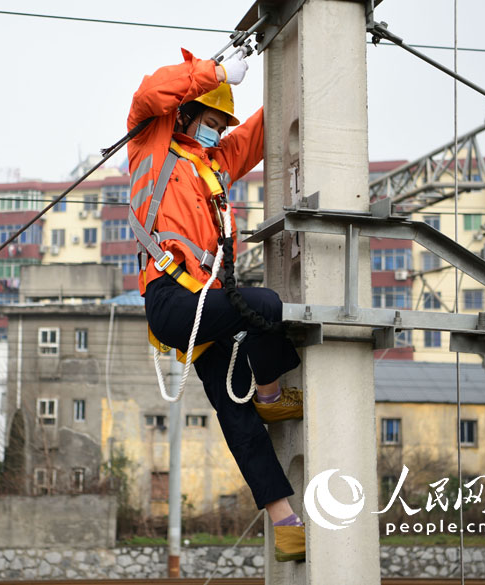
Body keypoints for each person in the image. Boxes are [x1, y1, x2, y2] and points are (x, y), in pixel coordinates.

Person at [127, 48, 306, 562]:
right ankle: (272, 397)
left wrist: (300, 72)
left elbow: (258, 132)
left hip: (206, 301)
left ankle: (285, 523)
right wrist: (218, 72)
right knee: (265, 303)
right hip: (171, 300)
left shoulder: (215, 164)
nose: (217, 132)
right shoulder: (152, 146)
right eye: (210, 121)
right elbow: (150, 92)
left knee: (236, 413)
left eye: (220, 125)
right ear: (183, 115)